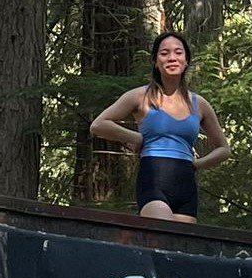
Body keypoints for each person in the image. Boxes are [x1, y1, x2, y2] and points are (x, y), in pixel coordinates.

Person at [87, 32, 234, 222]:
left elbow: (224, 149)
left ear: (186, 60)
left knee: (179, 248)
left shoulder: (200, 104)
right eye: (164, 53)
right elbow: (98, 125)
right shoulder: (140, 96)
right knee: (161, 240)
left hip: (186, 183)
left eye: (178, 53)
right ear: (156, 61)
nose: (172, 58)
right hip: (154, 178)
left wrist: (197, 164)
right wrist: (136, 137)